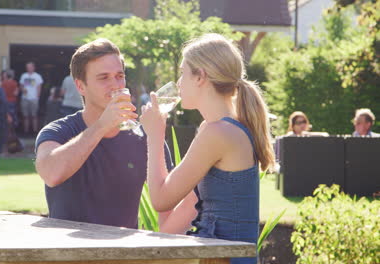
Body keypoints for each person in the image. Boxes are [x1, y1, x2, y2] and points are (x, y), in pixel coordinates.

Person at [140, 34, 275, 264]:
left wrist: (155, 135)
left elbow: (160, 200)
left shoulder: (218, 133)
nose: (179, 82)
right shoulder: (216, 129)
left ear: (200, 76)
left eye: (183, 72)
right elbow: (170, 217)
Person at [34, 39, 187, 229]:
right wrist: (101, 126)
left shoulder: (145, 137)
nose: (115, 85)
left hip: (122, 254)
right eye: (104, 78)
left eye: (119, 76)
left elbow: (168, 203)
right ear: (81, 86)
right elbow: (51, 173)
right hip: (68, 254)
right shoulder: (59, 131)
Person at [19, 62, 43, 135]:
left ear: (33, 67)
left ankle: (35, 131)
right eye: (27, 67)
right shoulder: (24, 75)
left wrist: (37, 97)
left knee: (34, 115)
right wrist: (23, 89)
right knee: (25, 116)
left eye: (29, 67)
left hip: (34, 99)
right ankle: (26, 131)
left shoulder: (37, 76)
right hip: (25, 98)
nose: (28, 68)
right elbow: (21, 85)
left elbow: (39, 87)